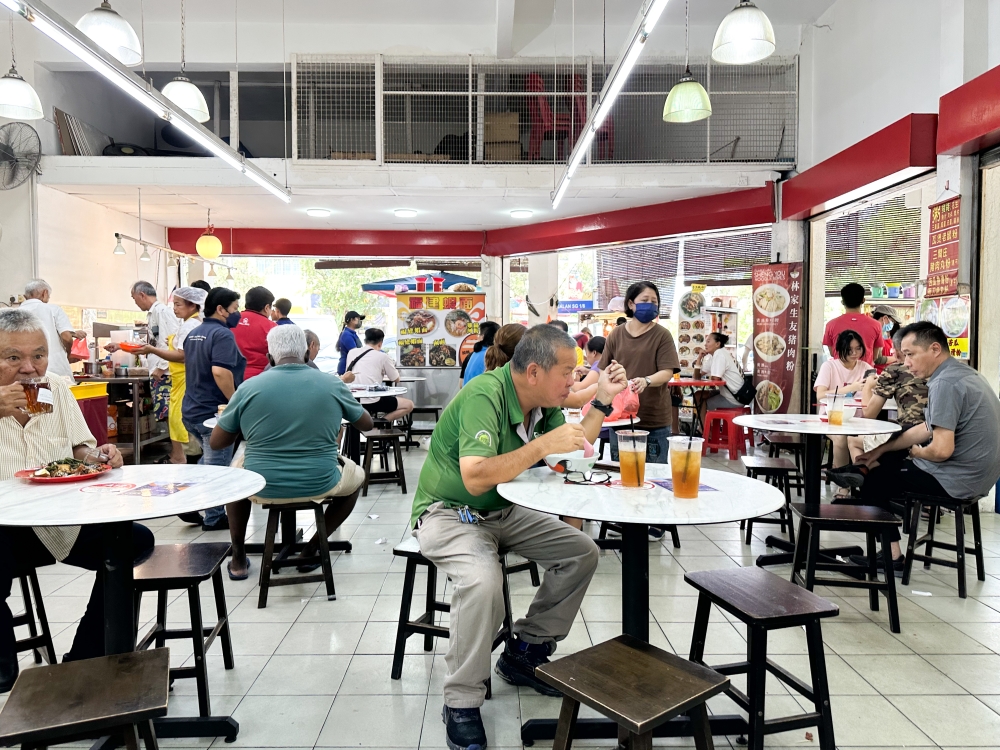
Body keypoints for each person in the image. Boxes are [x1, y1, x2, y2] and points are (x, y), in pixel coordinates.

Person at [411, 324, 627, 750]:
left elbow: (573, 445)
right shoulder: (484, 396)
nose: (574, 380)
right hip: (450, 512)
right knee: (483, 580)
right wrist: (542, 444)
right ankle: (461, 700)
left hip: (503, 511)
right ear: (533, 371)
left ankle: (524, 651)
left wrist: (601, 398)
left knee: (581, 551)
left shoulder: (542, 402)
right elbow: (474, 478)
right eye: (567, 371)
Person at [0, 309, 152, 692]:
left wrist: (100, 454)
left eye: (38, 354)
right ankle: (5, 672)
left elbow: (78, 447)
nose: (28, 368)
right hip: (5, 529)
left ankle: (86, 663)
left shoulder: (51, 387)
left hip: (58, 521)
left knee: (132, 542)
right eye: (12, 357)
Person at [212, 326, 373, 580]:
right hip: (320, 481)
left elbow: (217, 442)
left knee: (235, 480)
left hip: (262, 485)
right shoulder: (331, 383)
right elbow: (366, 424)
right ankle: (312, 547)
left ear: (269, 358)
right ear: (308, 356)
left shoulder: (248, 388)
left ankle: (239, 555)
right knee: (357, 477)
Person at [842, 322, 1000, 573]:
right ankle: (856, 469)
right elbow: (925, 428)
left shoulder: (944, 383)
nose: (906, 362)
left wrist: (916, 453)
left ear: (935, 349)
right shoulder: (962, 374)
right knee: (888, 456)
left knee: (876, 479)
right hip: (981, 475)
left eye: (910, 354)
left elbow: (940, 450)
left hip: (960, 478)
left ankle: (891, 557)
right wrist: (880, 450)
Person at [181, 287, 247, 531]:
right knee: (217, 467)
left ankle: (186, 498)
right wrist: (235, 403)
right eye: (235, 308)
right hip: (213, 413)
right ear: (220, 309)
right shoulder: (223, 335)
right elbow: (220, 371)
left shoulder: (195, 333)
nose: (237, 313)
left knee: (210, 461)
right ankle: (214, 517)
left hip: (191, 409)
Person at [598, 281, 679, 463]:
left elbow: (667, 371)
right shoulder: (616, 335)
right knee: (622, 477)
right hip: (620, 418)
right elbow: (602, 371)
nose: (651, 304)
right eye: (645, 299)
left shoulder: (662, 335)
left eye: (654, 301)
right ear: (631, 304)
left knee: (653, 479)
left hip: (653, 418)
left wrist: (647, 380)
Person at [832, 329, 928, 481]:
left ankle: (866, 475)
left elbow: (869, 414)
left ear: (897, 351)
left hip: (910, 437)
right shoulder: (935, 369)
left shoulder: (895, 370)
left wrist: (868, 387)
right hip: (936, 435)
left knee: (853, 440)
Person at [134, 286, 206, 467]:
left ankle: (184, 457)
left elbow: (182, 356)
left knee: (178, 418)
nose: (174, 308)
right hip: (182, 379)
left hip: (183, 378)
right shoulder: (191, 323)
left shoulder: (190, 325)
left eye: (178, 305)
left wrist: (152, 350)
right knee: (176, 417)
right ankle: (183, 456)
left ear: (192, 305)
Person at [814, 329, 871, 470]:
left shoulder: (866, 368)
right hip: (832, 418)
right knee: (840, 439)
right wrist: (851, 388)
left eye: (858, 348)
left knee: (870, 440)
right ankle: (843, 486)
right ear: (840, 349)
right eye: (849, 349)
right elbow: (820, 395)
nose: (854, 353)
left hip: (857, 419)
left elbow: (873, 392)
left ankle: (862, 481)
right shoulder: (829, 366)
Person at [18, 279, 85, 382]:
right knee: (61, 396)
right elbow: (66, 337)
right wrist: (67, 354)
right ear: (44, 293)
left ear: (25, 296)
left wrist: (74, 333)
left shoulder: (14, 314)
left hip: (25, 373)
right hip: (55, 370)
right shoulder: (53, 309)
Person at [345, 328, 414, 422]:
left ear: (365, 340)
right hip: (372, 402)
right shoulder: (383, 357)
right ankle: (381, 422)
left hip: (352, 400)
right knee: (409, 405)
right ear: (380, 343)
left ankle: (373, 423)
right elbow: (396, 379)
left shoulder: (352, 353)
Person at [822, 283, 882, 366]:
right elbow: (875, 356)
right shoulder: (876, 325)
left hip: (840, 375)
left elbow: (833, 353)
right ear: (863, 300)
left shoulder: (831, 325)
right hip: (865, 376)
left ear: (842, 302)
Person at [693, 332, 744, 422]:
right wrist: (699, 358)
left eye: (708, 341)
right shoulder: (713, 357)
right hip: (728, 393)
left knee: (702, 403)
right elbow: (696, 377)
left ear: (717, 344)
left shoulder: (719, 353)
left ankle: (705, 432)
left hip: (735, 397)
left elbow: (715, 379)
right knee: (698, 395)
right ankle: (703, 428)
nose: (705, 344)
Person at [233, 286, 276, 380]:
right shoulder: (272, 328)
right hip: (260, 380)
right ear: (267, 307)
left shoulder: (230, 321)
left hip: (231, 377)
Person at [460, 321, 499, 387]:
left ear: (482, 337)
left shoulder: (472, 355)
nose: (477, 337)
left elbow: (461, 385)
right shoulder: (493, 356)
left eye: (479, 334)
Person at [871, 304, 901, 374]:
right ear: (884, 318)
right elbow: (877, 359)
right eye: (892, 321)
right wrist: (897, 357)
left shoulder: (884, 335)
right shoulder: (874, 335)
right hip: (877, 376)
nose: (893, 324)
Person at [336, 310, 365, 375]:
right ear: (352, 320)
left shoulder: (352, 334)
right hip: (346, 369)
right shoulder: (347, 335)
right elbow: (354, 352)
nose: (359, 321)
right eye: (358, 319)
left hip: (351, 368)